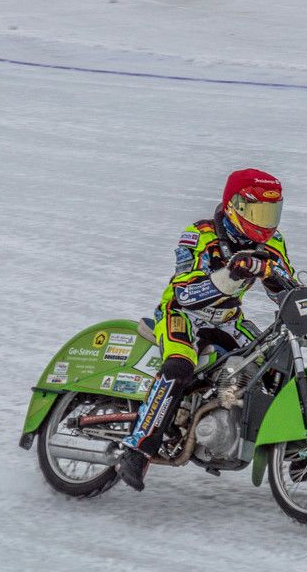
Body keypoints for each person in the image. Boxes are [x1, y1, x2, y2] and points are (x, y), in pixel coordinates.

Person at [118, 168, 296, 491]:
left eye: (273, 213)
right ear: (234, 207)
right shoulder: (199, 235)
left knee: (275, 361)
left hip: (228, 317)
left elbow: (286, 286)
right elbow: (185, 292)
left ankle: (296, 450)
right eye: (259, 212)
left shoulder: (273, 243)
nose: (266, 223)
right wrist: (231, 274)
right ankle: (137, 448)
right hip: (183, 314)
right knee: (179, 366)